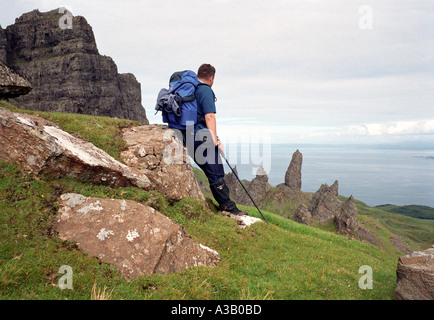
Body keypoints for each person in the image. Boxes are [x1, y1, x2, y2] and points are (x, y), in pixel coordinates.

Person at [185, 63, 247, 216]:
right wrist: (216, 141)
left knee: (211, 172)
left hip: (187, 136)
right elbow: (209, 116)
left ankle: (225, 204)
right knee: (216, 173)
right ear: (211, 78)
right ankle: (228, 208)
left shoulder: (189, 89)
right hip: (201, 137)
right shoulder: (205, 90)